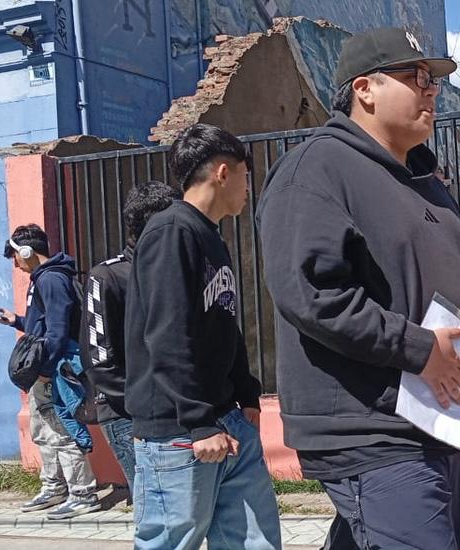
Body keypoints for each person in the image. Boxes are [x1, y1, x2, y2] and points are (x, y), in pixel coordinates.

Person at [256, 27, 460, 549]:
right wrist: (421, 350)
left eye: (433, 80)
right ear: (365, 89)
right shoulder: (317, 170)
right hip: (374, 430)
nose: (431, 90)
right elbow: (312, 295)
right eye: (416, 77)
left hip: (441, 422)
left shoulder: (426, 184)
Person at [124, 123, 281, 549]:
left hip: (226, 420)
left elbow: (223, 323)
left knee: (256, 542)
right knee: (171, 543)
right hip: (179, 431)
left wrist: (247, 394)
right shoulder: (170, 232)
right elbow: (167, 334)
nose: (249, 188)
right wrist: (198, 423)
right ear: (223, 172)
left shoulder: (210, 236)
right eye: (247, 175)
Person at [80, 180, 182, 497]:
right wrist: (141, 404)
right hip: (128, 413)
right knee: (156, 503)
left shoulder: (175, 269)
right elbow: (98, 360)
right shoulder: (108, 276)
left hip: (178, 410)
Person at [0, 224, 100, 520]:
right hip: (46, 367)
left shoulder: (51, 279)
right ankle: (54, 487)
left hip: (54, 367)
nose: (15, 263)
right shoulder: (43, 278)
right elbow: (43, 324)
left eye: (15, 256)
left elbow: (57, 331)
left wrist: (46, 370)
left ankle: (82, 493)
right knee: (43, 431)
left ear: (27, 251)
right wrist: (17, 321)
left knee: (63, 430)